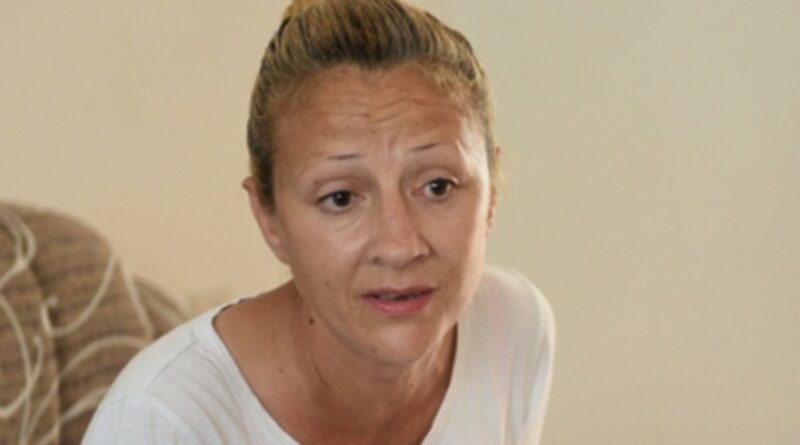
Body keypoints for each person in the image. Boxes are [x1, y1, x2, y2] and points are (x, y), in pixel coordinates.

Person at [82, 0, 555, 443]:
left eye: (437, 187)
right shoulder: (160, 420)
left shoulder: (510, 326)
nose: (399, 245)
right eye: (341, 198)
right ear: (268, 218)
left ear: (491, 195)